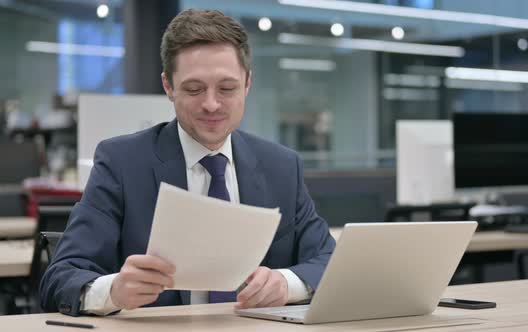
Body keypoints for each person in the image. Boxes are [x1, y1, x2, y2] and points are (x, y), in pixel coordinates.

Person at [39, 9, 335, 316]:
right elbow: (60, 279)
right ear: (168, 86)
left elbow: (329, 261)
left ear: (247, 83)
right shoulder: (122, 164)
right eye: (194, 89)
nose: (211, 104)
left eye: (227, 88)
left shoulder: (282, 167)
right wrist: (113, 290)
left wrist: (286, 283)